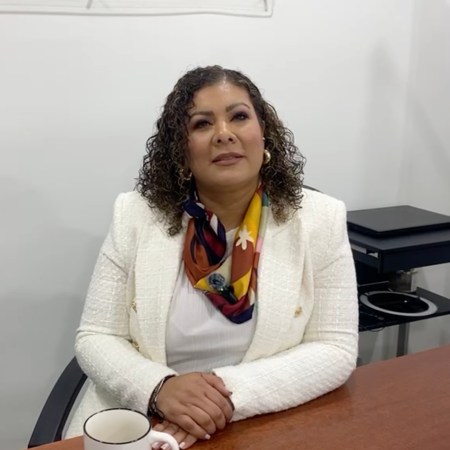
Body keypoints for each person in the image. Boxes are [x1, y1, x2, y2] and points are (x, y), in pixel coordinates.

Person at [66, 65, 358, 448]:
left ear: (264, 133)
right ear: (181, 151)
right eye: (202, 124)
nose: (224, 134)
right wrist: (159, 389)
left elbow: (336, 348)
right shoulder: (135, 215)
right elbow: (96, 336)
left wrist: (220, 398)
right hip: (139, 421)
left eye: (239, 116)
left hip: (259, 423)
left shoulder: (321, 220)